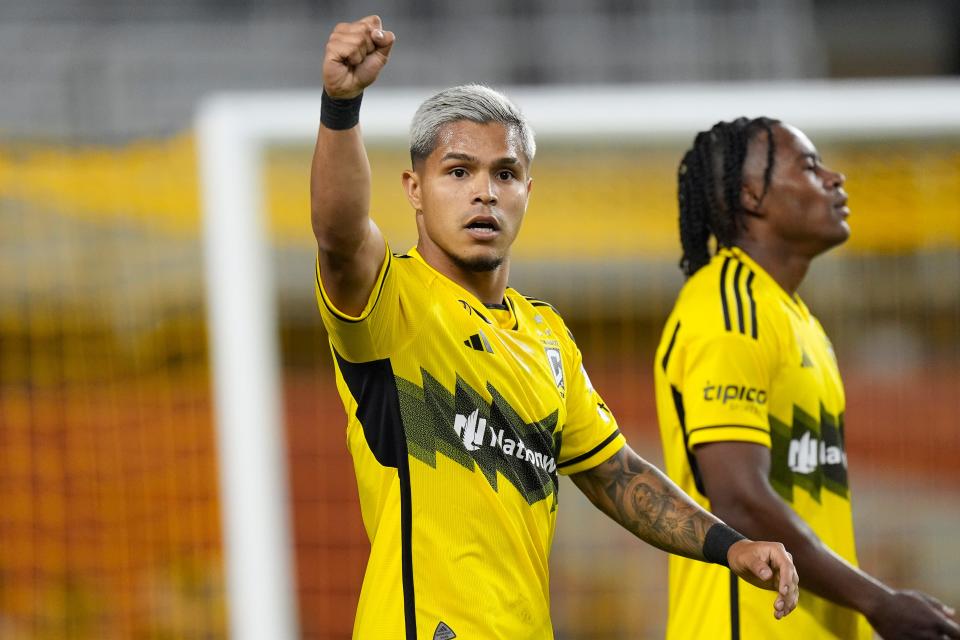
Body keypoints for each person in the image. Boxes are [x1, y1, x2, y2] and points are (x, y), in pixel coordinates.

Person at [313, 16, 799, 639]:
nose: (484, 193)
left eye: (505, 174)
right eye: (458, 172)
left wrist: (729, 546)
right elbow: (339, 234)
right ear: (414, 188)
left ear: (527, 191)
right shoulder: (391, 301)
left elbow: (613, 474)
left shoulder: (545, 336)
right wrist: (341, 106)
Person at [654, 117, 960, 639]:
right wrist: (879, 602)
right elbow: (739, 499)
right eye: (811, 166)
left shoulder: (800, 321)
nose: (836, 179)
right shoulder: (727, 310)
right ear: (751, 194)